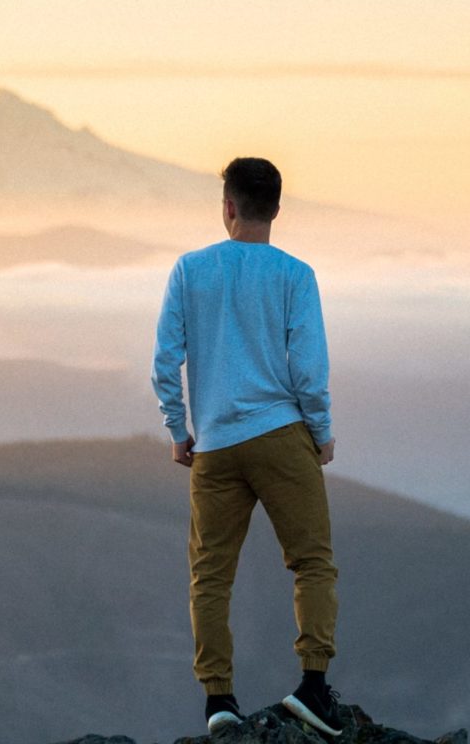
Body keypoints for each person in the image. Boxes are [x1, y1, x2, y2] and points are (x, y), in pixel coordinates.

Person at [151, 156, 344, 736]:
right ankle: (312, 685)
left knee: (210, 576)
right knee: (311, 562)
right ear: (277, 209)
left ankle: (218, 700)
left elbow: (165, 361)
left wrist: (179, 429)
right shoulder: (294, 274)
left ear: (228, 206)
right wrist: (321, 431)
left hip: (213, 444)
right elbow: (308, 370)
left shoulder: (190, 270)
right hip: (281, 435)